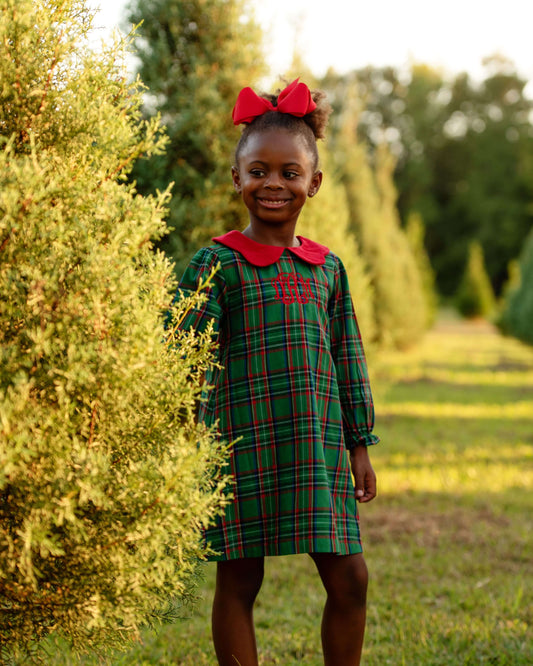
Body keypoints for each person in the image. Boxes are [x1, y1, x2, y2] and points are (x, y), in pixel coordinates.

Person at [177, 79, 379, 666]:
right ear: (237, 178)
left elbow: (349, 357)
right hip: (243, 448)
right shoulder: (216, 263)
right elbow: (185, 355)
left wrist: (360, 445)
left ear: (313, 184)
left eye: (289, 173)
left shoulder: (327, 269)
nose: (273, 184)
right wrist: (188, 442)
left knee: (351, 580)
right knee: (239, 583)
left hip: (316, 450)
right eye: (259, 170)